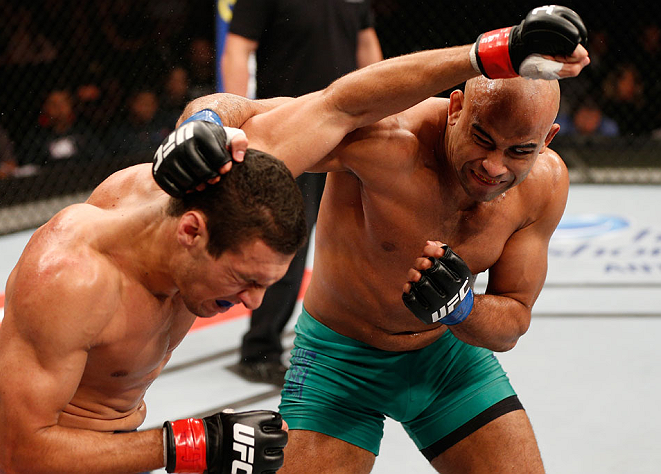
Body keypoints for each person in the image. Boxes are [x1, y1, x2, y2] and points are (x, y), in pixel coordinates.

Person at [159, 5, 590, 472]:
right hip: (338, 362)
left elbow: (513, 321)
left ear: (547, 139)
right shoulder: (388, 140)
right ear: (457, 109)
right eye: (482, 139)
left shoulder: (544, 185)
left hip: (447, 362)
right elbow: (246, 114)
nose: (494, 166)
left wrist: (463, 307)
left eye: (519, 151)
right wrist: (202, 123)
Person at [0, 132, 306, 472]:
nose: (254, 302)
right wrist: (197, 442)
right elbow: (18, 453)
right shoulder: (68, 279)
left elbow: (334, 107)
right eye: (245, 279)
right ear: (192, 232)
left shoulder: (222, 196)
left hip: (116, 450)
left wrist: (207, 119)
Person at [221, 0, 383, 385]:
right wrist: (236, 121)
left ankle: (351, 340)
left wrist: (383, 108)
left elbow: (367, 47)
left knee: (358, 234)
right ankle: (260, 349)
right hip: (289, 127)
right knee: (285, 237)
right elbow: (237, 49)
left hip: (349, 128)